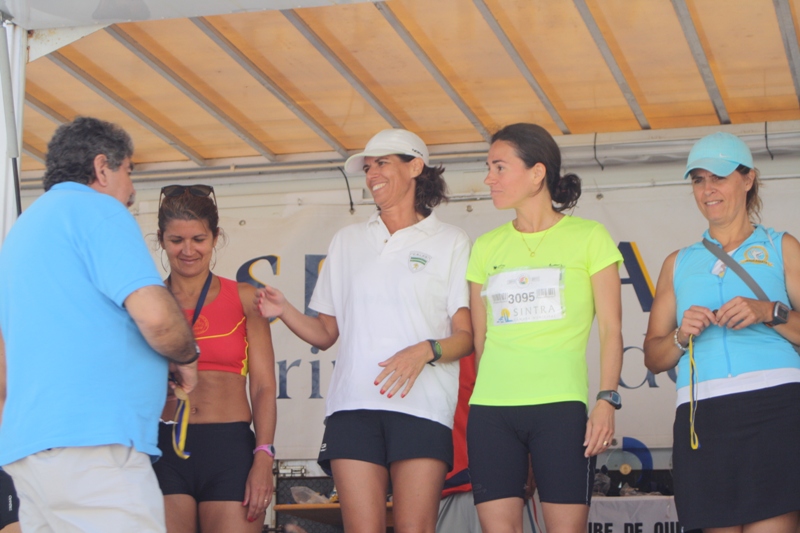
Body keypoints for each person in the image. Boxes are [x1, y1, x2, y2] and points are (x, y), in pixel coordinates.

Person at [256, 129, 473, 533]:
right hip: (352, 407)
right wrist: (284, 310)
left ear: (415, 167)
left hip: (423, 408)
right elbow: (325, 333)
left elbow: (465, 336)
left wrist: (424, 350)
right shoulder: (348, 240)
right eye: (368, 167)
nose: (372, 174)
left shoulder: (451, 241)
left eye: (382, 163)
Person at [0, 116, 198, 533]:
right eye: (129, 171)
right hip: (94, 445)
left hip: (31, 449)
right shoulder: (99, 210)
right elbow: (157, 318)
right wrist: (185, 354)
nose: (131, 188)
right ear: (102, 167)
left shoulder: (21, 233)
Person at [466, 123, 623, 533]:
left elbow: (611, 329)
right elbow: (481, 340)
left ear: (537, 173)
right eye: (488, 168)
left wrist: (606, 400)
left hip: (560, 408)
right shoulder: (485, 246)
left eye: (499, 167)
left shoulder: (589, 237)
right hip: (491, 413)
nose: (489, 178)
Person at [644, 132, 800, 532]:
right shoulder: (678, 262)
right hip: (704, 417)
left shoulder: (781, 246)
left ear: (747, 179)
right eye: (698, 180)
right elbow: (654, 357)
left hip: (775, 406)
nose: (707, 189)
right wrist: (681, 336)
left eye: (719, 177)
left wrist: (769, 311)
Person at [153, 184, 277, 532]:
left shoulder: (245, 297)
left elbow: (264, 387)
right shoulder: (148, 302)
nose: (188, 250)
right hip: (163, 448)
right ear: (161, 240)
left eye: (198, 239)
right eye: (176, 240)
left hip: (229, 448)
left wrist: (264, 456)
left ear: (215, 238)